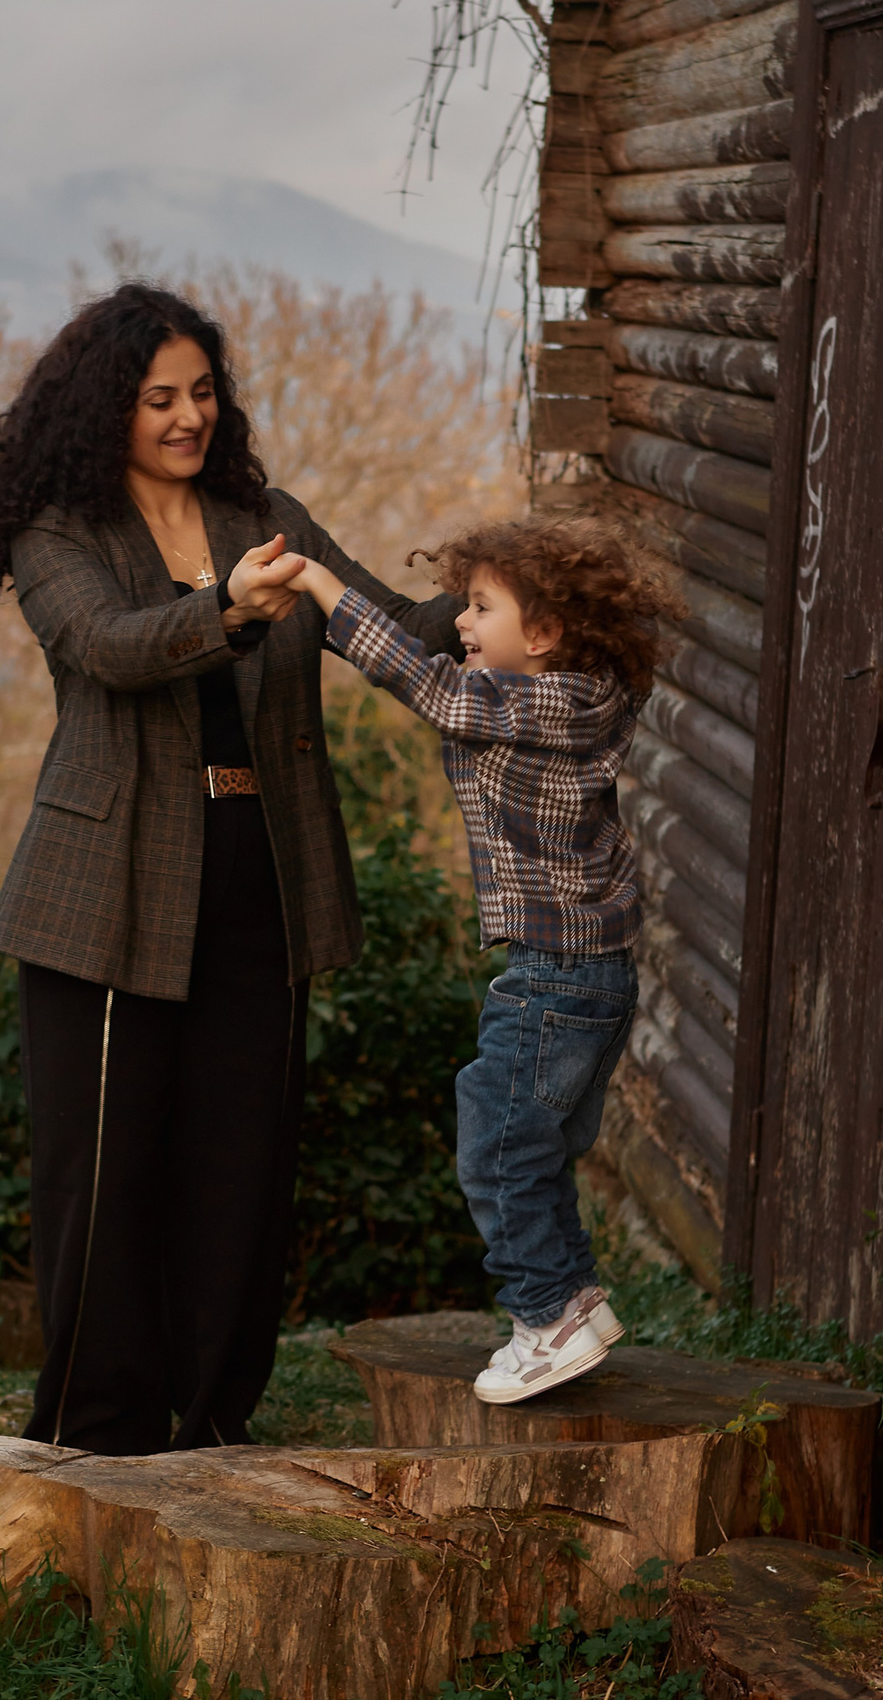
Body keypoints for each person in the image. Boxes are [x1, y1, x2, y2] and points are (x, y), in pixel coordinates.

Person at [0, 282, 464, 1455]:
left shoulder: (263, 512)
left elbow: (383, 625)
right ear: (104, 409)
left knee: (242, 1170)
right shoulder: (59, 532)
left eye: (201, 392)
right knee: (107, 1178)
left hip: (263, 879)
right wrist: (227, 614)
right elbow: (106, 647)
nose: (188, 415)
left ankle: (214, 1424)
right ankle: (92, 1433)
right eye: (157, 398)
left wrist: (514, 602)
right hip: (107, 891)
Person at [283, 514, 686, 1402]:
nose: (460, 622)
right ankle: (575, 1297)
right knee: (532, 1140)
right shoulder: (582, 692)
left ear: (541, 635)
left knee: (498, 1142)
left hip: (557, 972)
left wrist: (321, 588)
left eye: (479, 606)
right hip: (586, 969)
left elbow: (423, 685)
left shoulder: (545, 700)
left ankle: (545, 1316)